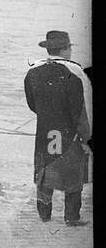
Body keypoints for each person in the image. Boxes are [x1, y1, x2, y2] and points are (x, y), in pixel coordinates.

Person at [24, 30, 92, 226]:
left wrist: (47, 115)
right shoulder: (75, 73)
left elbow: (32, 104)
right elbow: (80, 112)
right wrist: (86, 138)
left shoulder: (32, 72)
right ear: (64, 50)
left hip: (45, 130)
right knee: (73, 176)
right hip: (69, 134)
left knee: (44, 172)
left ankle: (44, 214)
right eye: (69, 48)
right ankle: (72, 217)